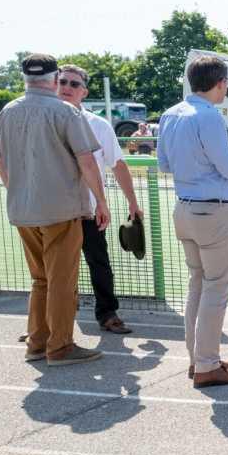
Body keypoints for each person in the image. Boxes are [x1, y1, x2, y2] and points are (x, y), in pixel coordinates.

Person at [0, 53, 110, 366]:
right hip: (61, 210)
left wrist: (19, 193)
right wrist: (101, 201)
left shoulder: (7, 112)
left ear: (25, 78)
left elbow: (1, 163)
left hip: (23, 209)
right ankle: (60, 346)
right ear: (55, 79)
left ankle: (37, 343)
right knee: (62, 281)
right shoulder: (66, 112)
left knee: (40, 279)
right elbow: (87, 161)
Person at [157, 55, 228, 387]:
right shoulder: (209, 116)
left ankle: (198, 358)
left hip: (184, 208)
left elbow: (164, 164)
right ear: (220, 83)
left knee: (198, 284)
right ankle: (207, 364)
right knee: (216, 288)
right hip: (212, 211)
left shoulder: (171, 114)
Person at [57, 63, 142, 335]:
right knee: (53, 270)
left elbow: (118, 164)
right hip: (54, 211)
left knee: (99, 264)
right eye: (62, 82)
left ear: (84, 91)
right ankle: (46, 323)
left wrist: (132, 201)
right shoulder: (44, 120)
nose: (67, 87)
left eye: (74, 84)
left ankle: (108, 314)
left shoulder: (99, 125)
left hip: (89, 211)